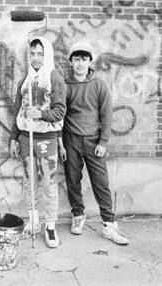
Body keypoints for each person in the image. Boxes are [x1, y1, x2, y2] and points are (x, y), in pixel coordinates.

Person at [62, 41, 128, 245]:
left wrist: (103, 141)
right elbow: (60, 115)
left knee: (101, 183)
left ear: (90, 61)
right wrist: (61, 144)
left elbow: (106, 115)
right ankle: (78, 215)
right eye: (76, 59)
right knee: (73, 180)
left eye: (84, 59)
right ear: (71, 62)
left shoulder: (98, 84)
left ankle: (109, 223)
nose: (80, 63)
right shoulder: (65, 85)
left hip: (93, 141)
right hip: (71, 139)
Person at [9, 37, 66, 248]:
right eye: (32, 53)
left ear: (47, 54)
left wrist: (40, 114)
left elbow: (60, 112)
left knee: (49, 184)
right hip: (26, 138)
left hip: (46, 139)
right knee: (29, 181)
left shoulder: (54, 77)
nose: (35, 57)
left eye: (40, 53)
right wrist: (14, 137)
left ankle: (49, 226)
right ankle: (32, 222)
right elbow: (18, 111)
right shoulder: (25, 79)